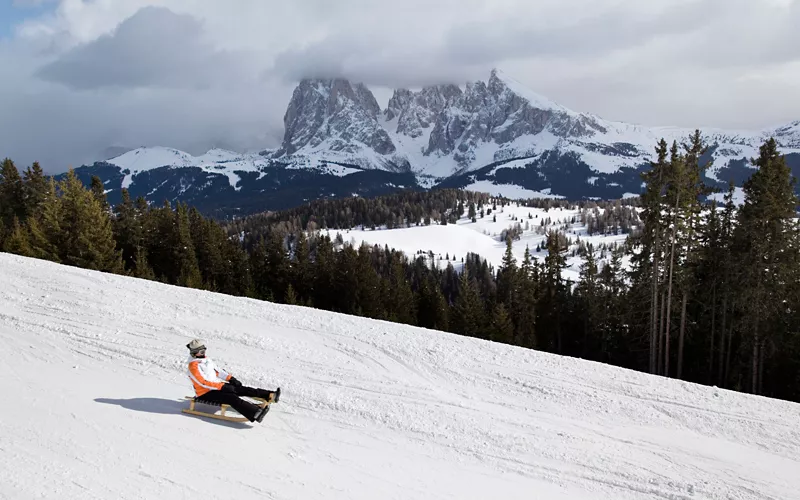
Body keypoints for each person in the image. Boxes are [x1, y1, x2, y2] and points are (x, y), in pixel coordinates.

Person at [186, 339, 280, 423]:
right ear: (194, 353)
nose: (203, 353)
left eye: (204, 350)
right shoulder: (193, 366)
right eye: (201, 351)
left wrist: (230, 378)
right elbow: (202, 382)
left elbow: (218, 371)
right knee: (230, 397)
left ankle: (270, 395)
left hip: (216, 387)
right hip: (205, 393)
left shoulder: (206, 360)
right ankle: (255, 413)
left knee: (240, 389)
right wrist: (222, 386)